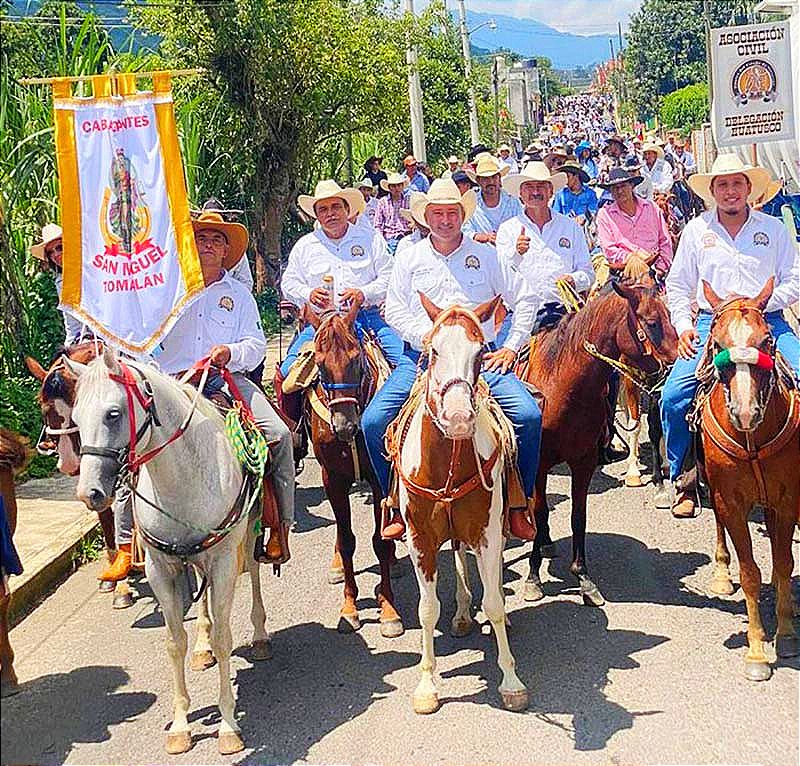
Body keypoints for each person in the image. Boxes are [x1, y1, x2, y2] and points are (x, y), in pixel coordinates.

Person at [362, 179, 542, 541]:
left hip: (480, 361)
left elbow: (526, 298)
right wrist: (423, 337)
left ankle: (519, 502)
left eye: (452, 213)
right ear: (426, 217)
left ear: (462, 215)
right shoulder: (410, 257)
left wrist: (511, 346)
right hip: (423, 361)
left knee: (528, 416)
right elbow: (394, 308)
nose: (445, 220)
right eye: (438, 213)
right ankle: (393, 502)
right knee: (374, 421)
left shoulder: (488, 256)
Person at [660, 155, 799, 518]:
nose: (730, 191)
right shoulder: (696, 231)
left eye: (737, 183)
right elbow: (677, 285)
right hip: (712, 324)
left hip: (766, 322)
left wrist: (759, 305)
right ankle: (684, 479)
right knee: (674, 397)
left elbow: (794, 280)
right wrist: (684, 326)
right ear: (713, 192)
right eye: (722, 185)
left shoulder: (773, 229)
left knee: (799, 377)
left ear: (749, 189)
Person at [154, 210, 295, 560]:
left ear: (225, 251)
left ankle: (279, 528)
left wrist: (228, 352)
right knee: (126, 440)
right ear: (191, 243)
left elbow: (255, 344)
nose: (209, 245)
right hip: (173, 383)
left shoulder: (240, 295)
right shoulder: (167, 290)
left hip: (224, 379)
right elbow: (146, 339)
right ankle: (130, 541)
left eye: (217, 240)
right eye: (202, 238)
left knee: (278, 434)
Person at [280, 179, 402, 373]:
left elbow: (390, 277)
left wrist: (364, 293)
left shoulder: (370, 239)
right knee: (287, 373)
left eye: (336, 206)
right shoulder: (305, 246)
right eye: (323, 209)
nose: (330, 213)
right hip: (320, 323)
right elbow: (288, 283)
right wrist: (308, 294)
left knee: (404, 364)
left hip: (366, 318)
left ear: (347, 209)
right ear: (317, 216)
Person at [595, 167, 673, 278]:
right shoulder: (605, 214)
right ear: (611, 192)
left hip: (654, 268)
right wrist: (633, 260)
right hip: (624, 270)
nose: (620, 191)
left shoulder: (651, 208)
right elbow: (608, 249)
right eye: (615, 188)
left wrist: (661, 268)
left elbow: (664, 240)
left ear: (631, 186)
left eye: (623, 186)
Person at [30, 224, 90, 345]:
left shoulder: (93, 269)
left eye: (60, 247)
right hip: (87, 340)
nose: (55, 255)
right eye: (50, 252)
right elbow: (72, 324)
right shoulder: (61, 283)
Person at [462, 153, 522, 245]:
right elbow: (464, 231)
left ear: (499, 178)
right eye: (485, 178)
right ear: (478, 181)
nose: (491, 182)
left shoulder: (513, 201)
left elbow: (523, 225)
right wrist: (479, 236)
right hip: (483, 254)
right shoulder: (471, 204)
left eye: (494, 177)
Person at [373, 172, 412, 253]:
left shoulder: (409, 200)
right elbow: (377, 224)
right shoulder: (383, 202)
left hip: (407, 236)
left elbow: (414, 219)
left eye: (399, 185)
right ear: (389, 188)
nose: (396, 188)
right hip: (390, 238)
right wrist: (381, 241)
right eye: (393, 186)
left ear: (402, 186)